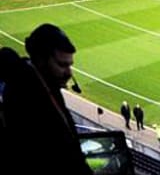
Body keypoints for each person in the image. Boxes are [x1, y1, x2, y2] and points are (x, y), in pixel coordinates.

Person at [0, 23, 92, 174]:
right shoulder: (29, 98)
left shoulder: (45, 86)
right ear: (41, 60)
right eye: (62, 65)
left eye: (70, 66)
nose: (69, 73)